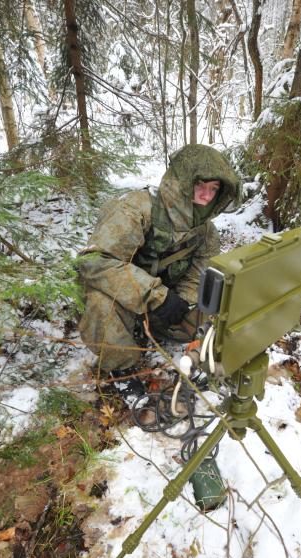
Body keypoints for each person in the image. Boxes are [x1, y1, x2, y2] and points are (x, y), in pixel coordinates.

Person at [78, 143, 240, 404]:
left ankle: (147, 329)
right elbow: (96, 262)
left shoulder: (206, 231)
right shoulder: (136, 208)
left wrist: (181, 303)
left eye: (214, 189)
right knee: (101, 306)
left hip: (160, 301)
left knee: (206, 316)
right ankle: (120, 370)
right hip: (123, 296)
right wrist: (157, 297)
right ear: (183, 181)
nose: (206, 196)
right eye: (201, 184)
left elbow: (200, 273)